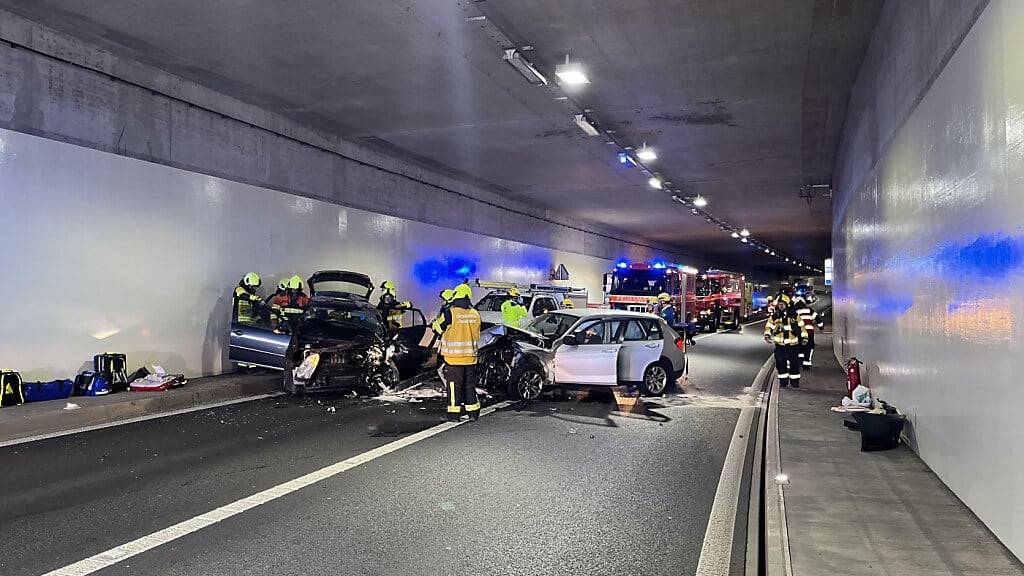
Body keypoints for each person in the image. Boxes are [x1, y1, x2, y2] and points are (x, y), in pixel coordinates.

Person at [436, 283, 482, 421]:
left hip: (454, 359)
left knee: (454, 387)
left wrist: (434, 324)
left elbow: (438, 328)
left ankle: (454, 415)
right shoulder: (475, 313)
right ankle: (473, 413)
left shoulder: (450, 313)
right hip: (471, 358)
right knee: (469, 386)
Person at [763, 295, 808, 388]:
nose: (781, 306)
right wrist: (767, 335)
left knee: (794, 363)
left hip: (793, 345)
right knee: (780, 363)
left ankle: (794, 382)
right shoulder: (775, 316)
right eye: (779, 304)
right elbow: (769, 326)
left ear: (787, 304)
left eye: (782, 304)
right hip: (780, 345)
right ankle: (783, 382)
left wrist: (805, 338)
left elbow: (802, 327)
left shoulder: (794, 315)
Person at [793, 295, 824, 369]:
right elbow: (818, 319)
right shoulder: (809, 310)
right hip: (809, 333)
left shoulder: (794, 311)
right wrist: (821, 328)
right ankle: (806, 364)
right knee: (809, 347)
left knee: (799, 347)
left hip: (799, 333)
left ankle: (800, 361)